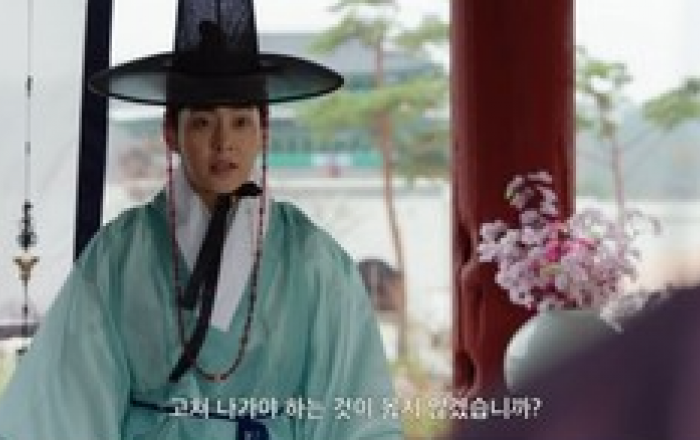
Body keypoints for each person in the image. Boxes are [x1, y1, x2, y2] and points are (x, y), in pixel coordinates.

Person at [0, 0, 402, 439]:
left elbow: (356, 409)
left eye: (241, 122)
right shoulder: (120, 253)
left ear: (264, 131)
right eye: (203, 122)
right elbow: (67, 402)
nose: (223, 142)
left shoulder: (311, 257)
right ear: (171, 132)